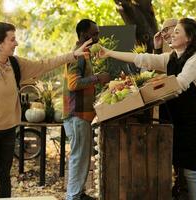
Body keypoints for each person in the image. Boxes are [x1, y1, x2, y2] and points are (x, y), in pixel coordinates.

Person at [0, 22, 92, 200]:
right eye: (12, 39)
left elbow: (44, 64)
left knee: (4, 176)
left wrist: (73, 55)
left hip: (8, 130)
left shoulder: (15, 64)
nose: (16, 43)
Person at [98, 18, 196, 200]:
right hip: (177, 122)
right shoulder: (172, 57)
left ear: (189, 37)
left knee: (191, 173)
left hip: (193, 124)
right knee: (179, 172)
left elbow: (179, 84)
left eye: (177, 32)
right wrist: (109, 52)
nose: (171, 35)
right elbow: (143, 59)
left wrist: (150, 89)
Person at [63, 19, 111, 200]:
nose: (98, 37)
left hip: (81, 115)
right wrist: (98, 78)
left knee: (83, 157)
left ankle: (78, 193)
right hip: (77, 114)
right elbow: (74, 83)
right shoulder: (78, 55)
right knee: (79, 157)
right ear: (84, 35)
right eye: (95, 33)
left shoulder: (84, 54)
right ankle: (73, 196)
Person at [153, 18, 189, 199]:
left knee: (182, 154)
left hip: (183, 109)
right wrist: (157, 48)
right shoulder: (169, 52)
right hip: (169, 108)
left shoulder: (184, 52)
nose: (164, 33)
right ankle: (178, 186)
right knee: (173, 151)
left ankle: (183, 189)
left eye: (167, 30)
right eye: (162, 30)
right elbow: (156, 75)